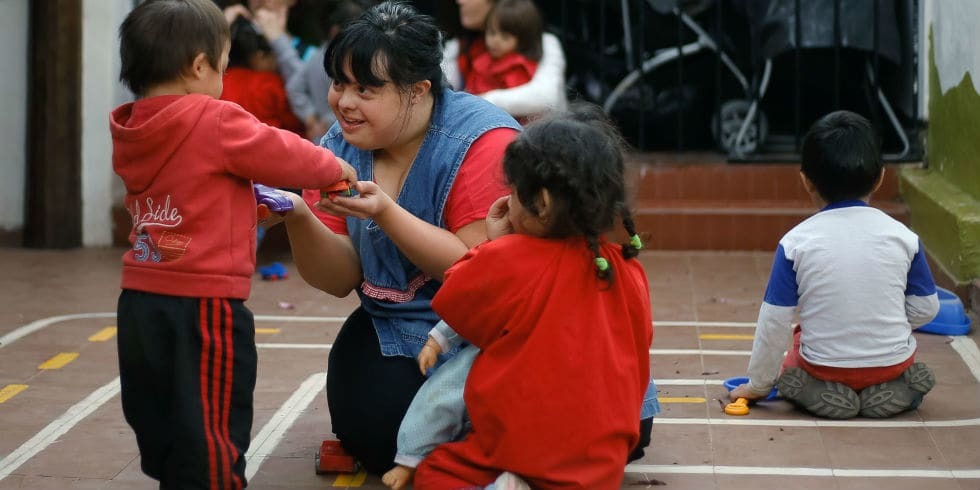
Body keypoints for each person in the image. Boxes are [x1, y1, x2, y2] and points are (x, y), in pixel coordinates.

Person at [111, 0, 355, 487]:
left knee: (157, 407)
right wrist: (334, 167)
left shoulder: (131, 125)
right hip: (203, 305)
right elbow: (278, 150)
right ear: (198, 66)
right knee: (213, 420)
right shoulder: (215, 118)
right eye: (222, 66)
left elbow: (192, 183)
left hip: (139, 298)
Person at [274, 1, 523, 476]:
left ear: (418, 90)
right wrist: (298, 213)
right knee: (372, 430)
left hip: (488, 329)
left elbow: (479, 271)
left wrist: (387, 213)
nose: (344, 102)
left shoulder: (481, 140)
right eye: (339, 84)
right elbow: (338, 278)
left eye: (365, 89)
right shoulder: (334, 148)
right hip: (396, 329)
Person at [404, 104, 653, 489]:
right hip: (602, 462)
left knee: (437, 473)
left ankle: (516, 482)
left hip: (523, 447)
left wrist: (493, 242)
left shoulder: (512, 258)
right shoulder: (626, 269)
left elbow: (459, 297)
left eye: (514, 193)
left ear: (543, 202)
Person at [729, 110, 940, 419]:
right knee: (901, 364)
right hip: (889, 364)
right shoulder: (905, 238)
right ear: (881, 177)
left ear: (806, 181)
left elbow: (775, 322)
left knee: (793, 361)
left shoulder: (794, 243)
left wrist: (759, 385)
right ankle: (902, 389)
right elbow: (927, 308)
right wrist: (884, 318)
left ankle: (807, 391)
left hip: (823, 367)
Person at [442, 0, 567, 119]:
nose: (460, 1)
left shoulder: (543, 42)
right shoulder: (460, 46)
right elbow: (442, 93)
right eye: (491, 33)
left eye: (505, 36)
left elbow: (546, 97)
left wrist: (474, 103)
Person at [286, 0, 368, 142]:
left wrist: (309, 116)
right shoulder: (355, 60)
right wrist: (324, 119)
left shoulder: (316, 56)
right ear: (335, 31)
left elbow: (294, 87)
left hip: (321, 134)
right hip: (344, 133)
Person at [222, 16, 305, 134]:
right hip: (272, 146)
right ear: (259, 56)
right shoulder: (269, 82)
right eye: (273, 55)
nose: (276, 62)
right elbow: (295, 122)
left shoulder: (222, 80)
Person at [463, 0, 540, 99]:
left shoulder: (519, 68)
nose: (495, 41)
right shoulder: (481, 59)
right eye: (492, 33)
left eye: (505, 37)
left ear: (523, 39)